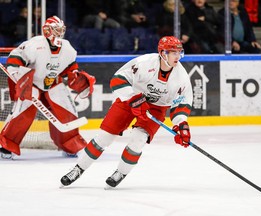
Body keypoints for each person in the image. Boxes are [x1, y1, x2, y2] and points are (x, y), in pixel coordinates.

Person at [60, 36, 193, 188]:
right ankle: (78, 169)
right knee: (104, 138)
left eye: (179, 52)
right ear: (163, 53)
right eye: (173, 52)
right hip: (130, 100)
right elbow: (117, 80)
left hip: (156, 109)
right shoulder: (144, 63)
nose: (178, 56)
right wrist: (134, 99)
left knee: (138, 140)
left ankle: (120, 172)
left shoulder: (181, 77)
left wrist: (181, 124)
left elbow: (180, 104)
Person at [0, 16, 96, 159]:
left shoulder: (67, 48)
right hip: (31, 82)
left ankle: (70, 145)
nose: (59, 33)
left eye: (61, 30)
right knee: (23, 111)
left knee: (68, 111)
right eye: (56, 30)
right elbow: (16, 57)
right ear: (47, 30)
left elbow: (69, 69)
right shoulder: (35, 44)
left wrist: (75, 77)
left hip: (53, 82)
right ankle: (7, 147)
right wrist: (15, 71)